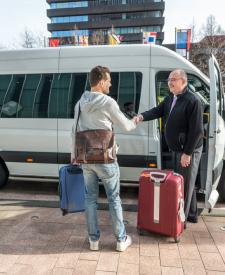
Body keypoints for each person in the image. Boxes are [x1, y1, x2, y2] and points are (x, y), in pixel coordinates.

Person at [71, 66, 140, 252]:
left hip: (85, 158)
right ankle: (120, 239)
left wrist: (73, 155)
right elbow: (126, 126)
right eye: (108, 80)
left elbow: (74, 130)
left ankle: (94, 241)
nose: (111, 83)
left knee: (90, 199)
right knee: (114, 199)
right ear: (101, 82)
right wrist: (135, 120)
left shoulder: (80, 103)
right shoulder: (108, 102)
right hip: (105, 158)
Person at [138, 69, 203, 226]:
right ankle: (192, 214)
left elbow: (197, 131)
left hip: (188, 150)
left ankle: (181, 222)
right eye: (169, 80)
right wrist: (141, 116)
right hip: (177, 149)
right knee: (186, 181)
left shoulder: (193, 101)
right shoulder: (170, 98)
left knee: (184, 186)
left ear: (184, 81)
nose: (170, 82)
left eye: (174, 79)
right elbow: (157, 111)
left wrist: (187, 153)